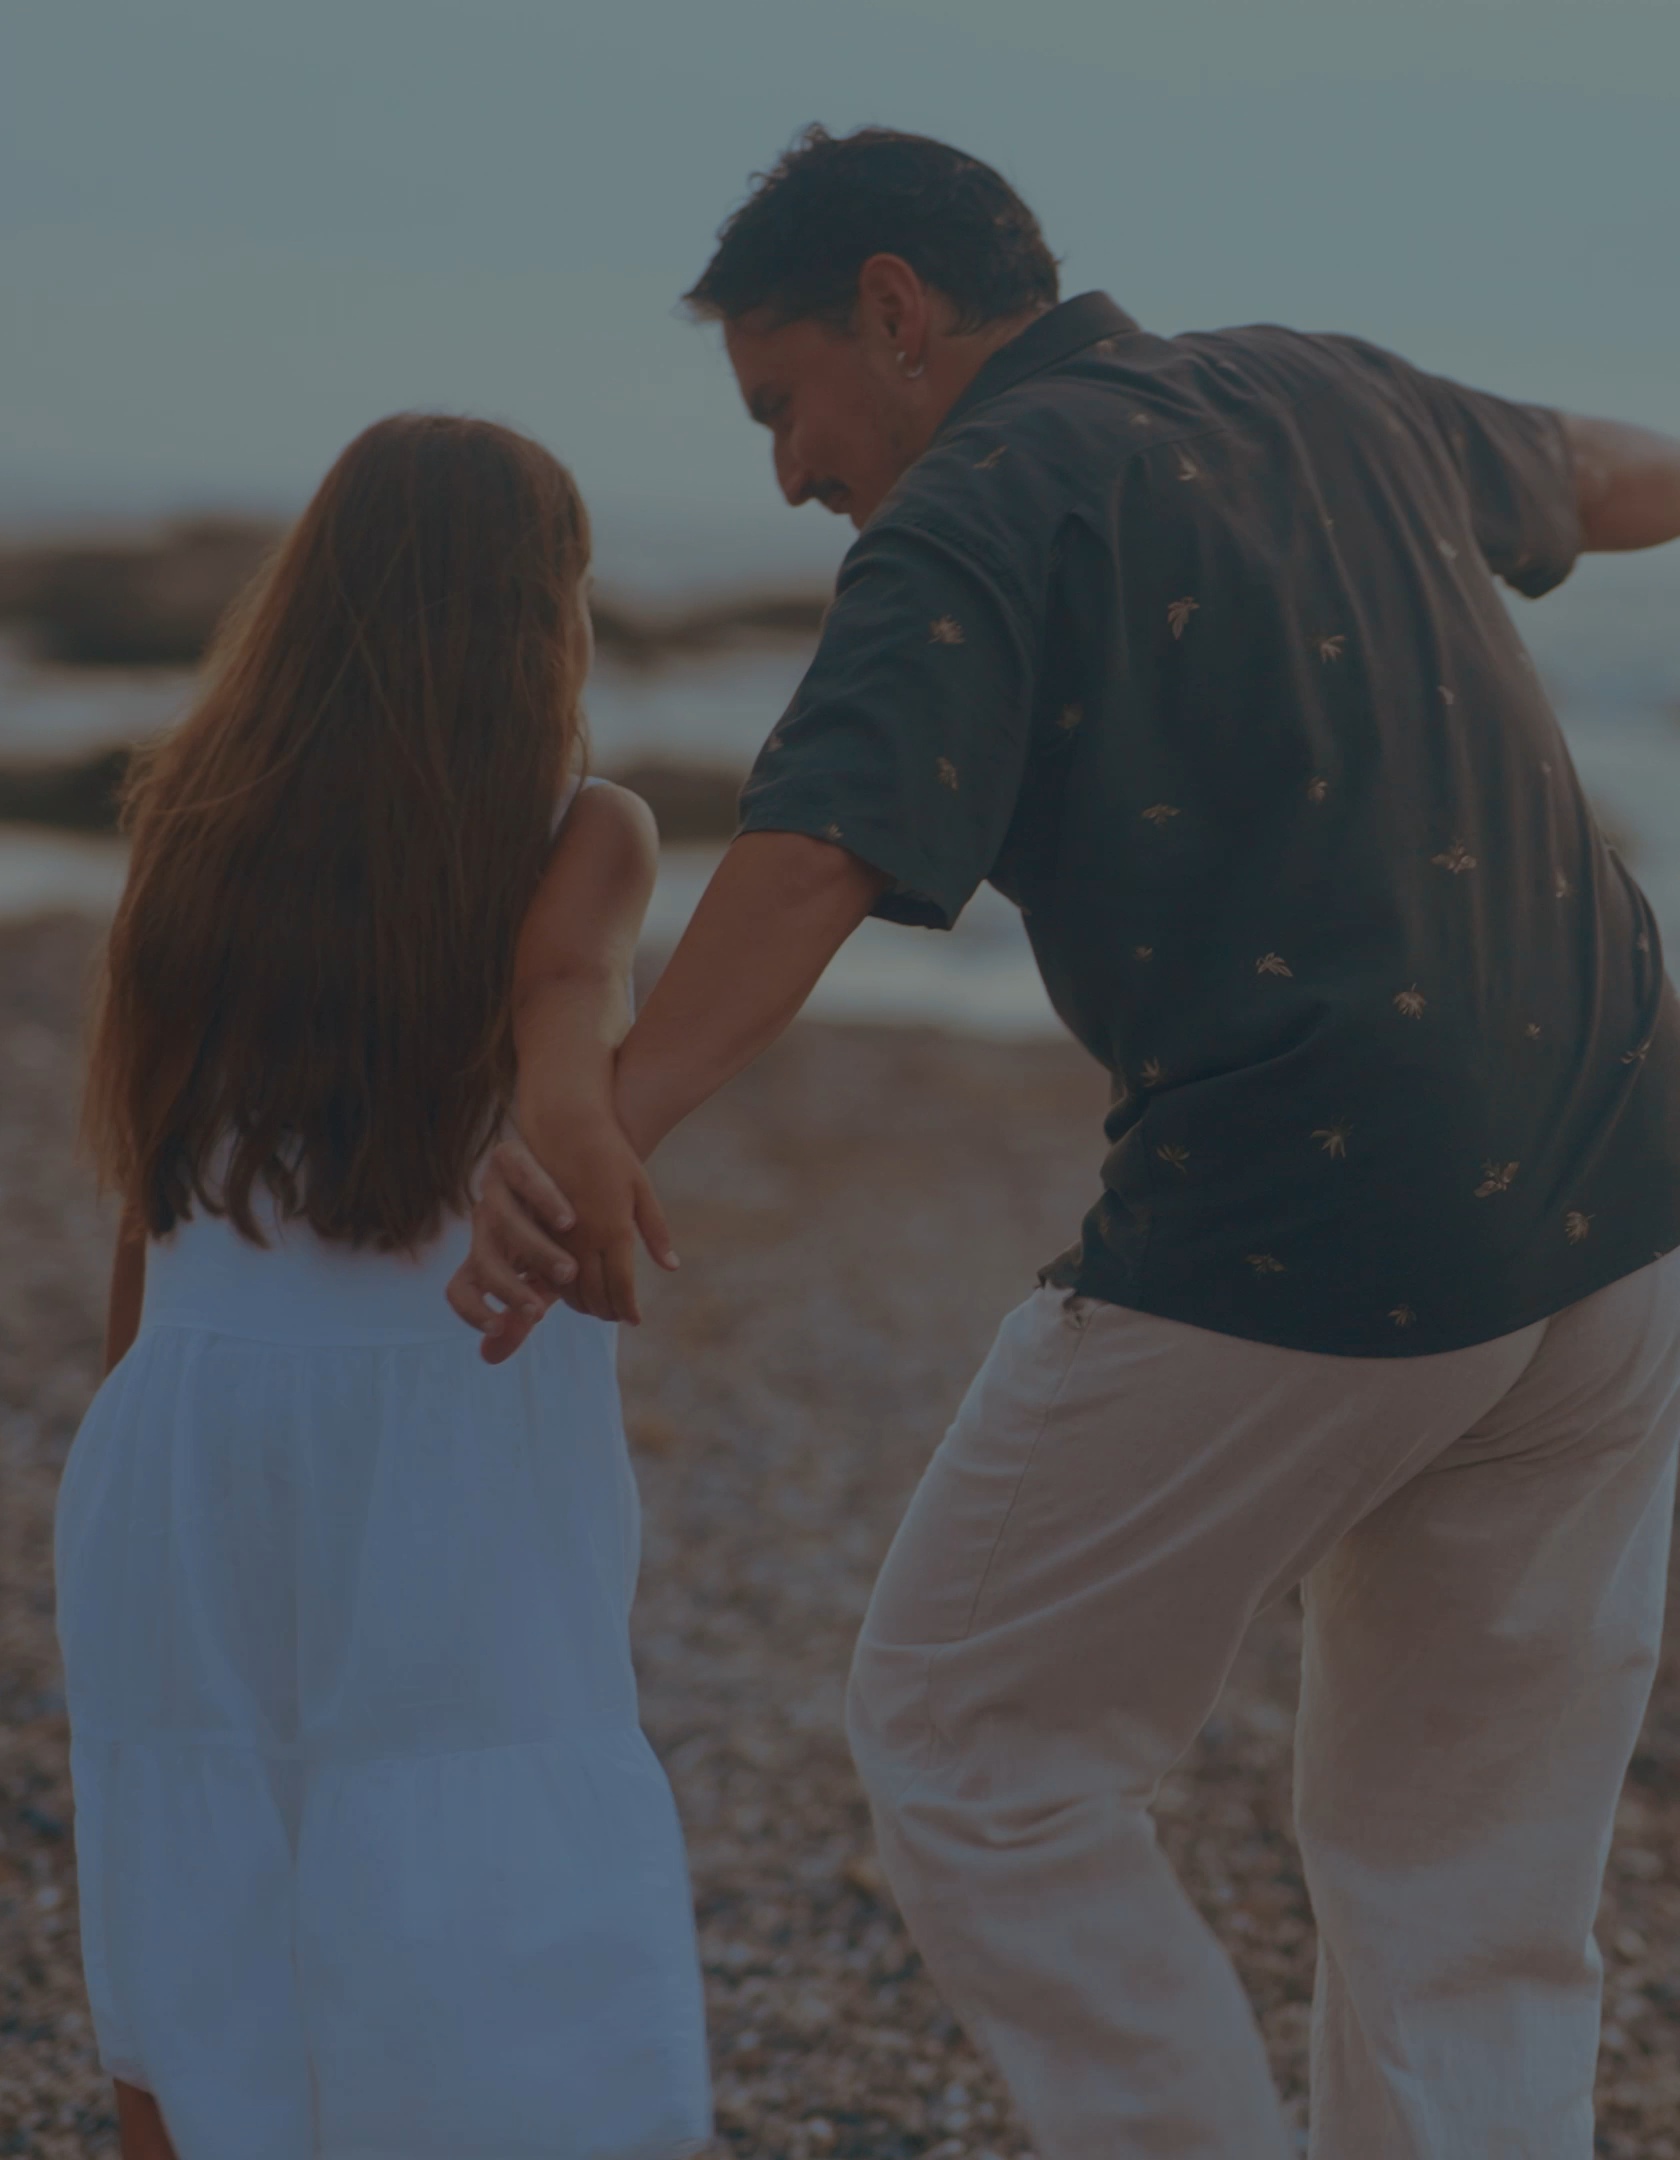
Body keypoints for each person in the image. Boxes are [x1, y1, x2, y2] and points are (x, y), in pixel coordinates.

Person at [451, 126, 1680, 2159]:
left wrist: (603, 1121)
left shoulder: (976, 505)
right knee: (1468, 1878)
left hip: (1315, 1227)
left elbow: (819, 849)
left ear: (895, 310)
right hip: (1623, 1198)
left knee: (972, 1738)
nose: (789, 471)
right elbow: (1605, 473)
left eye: (780, 405)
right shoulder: (1328, 384)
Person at [58, 415, 710, 2160]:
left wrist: (123, 1434)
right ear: (541, 618)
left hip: (187, 1422)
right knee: (474, 1878)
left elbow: (149, 1190)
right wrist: (583, 1132)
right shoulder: (590, 832)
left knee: (194, 1868)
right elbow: (571, 999)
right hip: (440, 1438)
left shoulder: (191, 820)